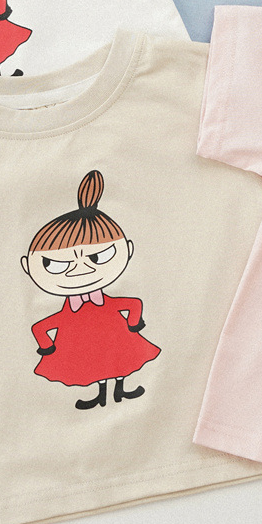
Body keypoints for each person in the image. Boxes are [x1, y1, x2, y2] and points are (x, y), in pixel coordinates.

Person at [21, 170, 161, 411]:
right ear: (27, 266)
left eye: (99, 256)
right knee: (96, 365)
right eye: (56, 264)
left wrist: (47, 344)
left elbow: (41, 328)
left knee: (120, 359)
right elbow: (133, 304)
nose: (81, 270)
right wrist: (133, 322)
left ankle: (119, 390)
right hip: (87, 334)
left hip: (108, 329)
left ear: (128, 250)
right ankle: (102, 394)